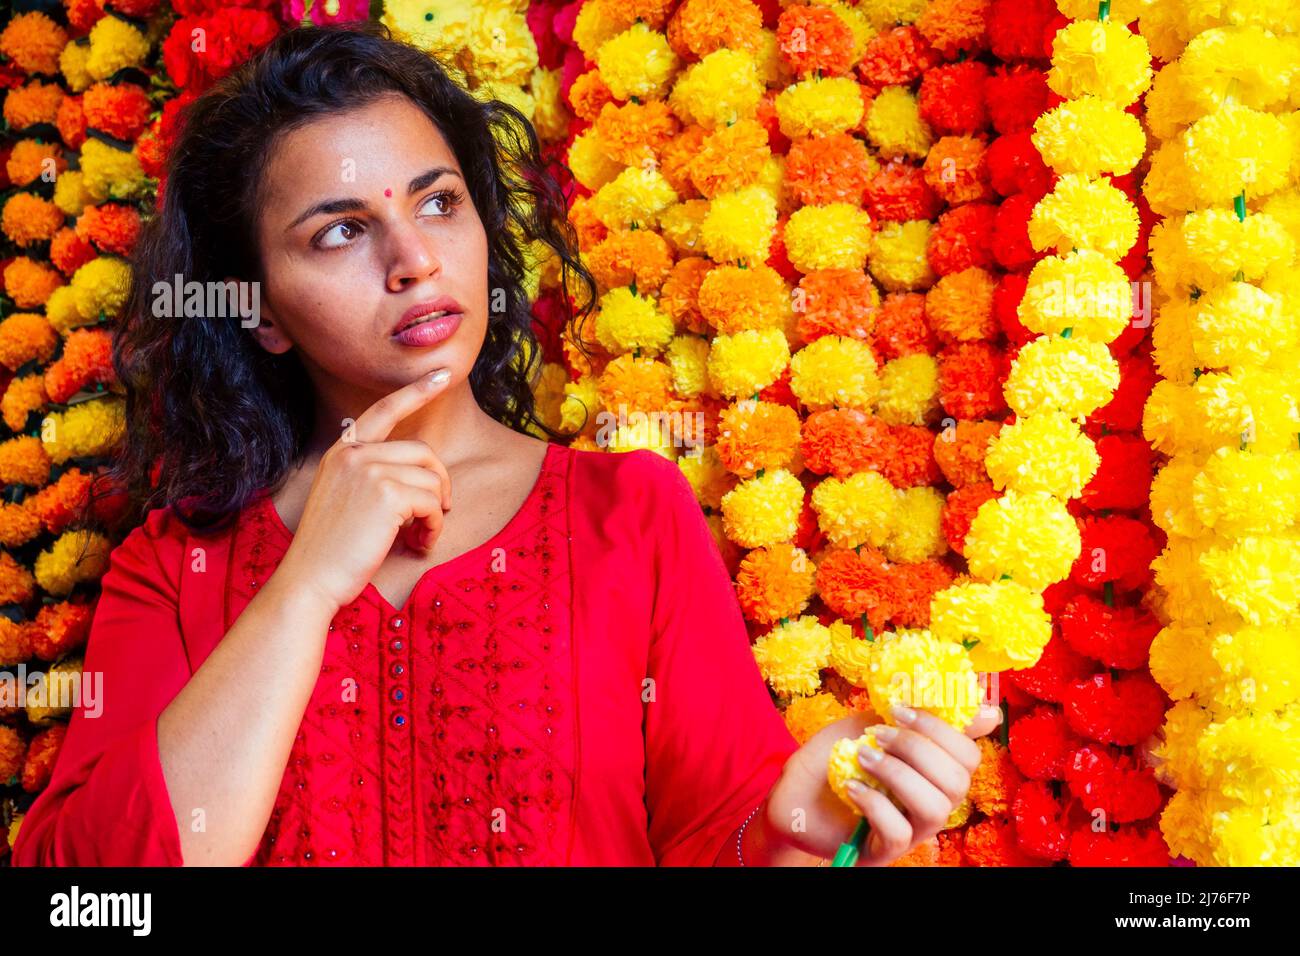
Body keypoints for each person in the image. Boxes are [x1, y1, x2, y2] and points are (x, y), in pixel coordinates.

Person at [11, 22, 999, 867]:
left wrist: (801, 827)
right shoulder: (178, 566)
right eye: (339, 232)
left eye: (438, 202)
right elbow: (100, 891)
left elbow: (724, 838)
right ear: (261, 311)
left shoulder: (629, 515)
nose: (414, 259)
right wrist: (306, 583)